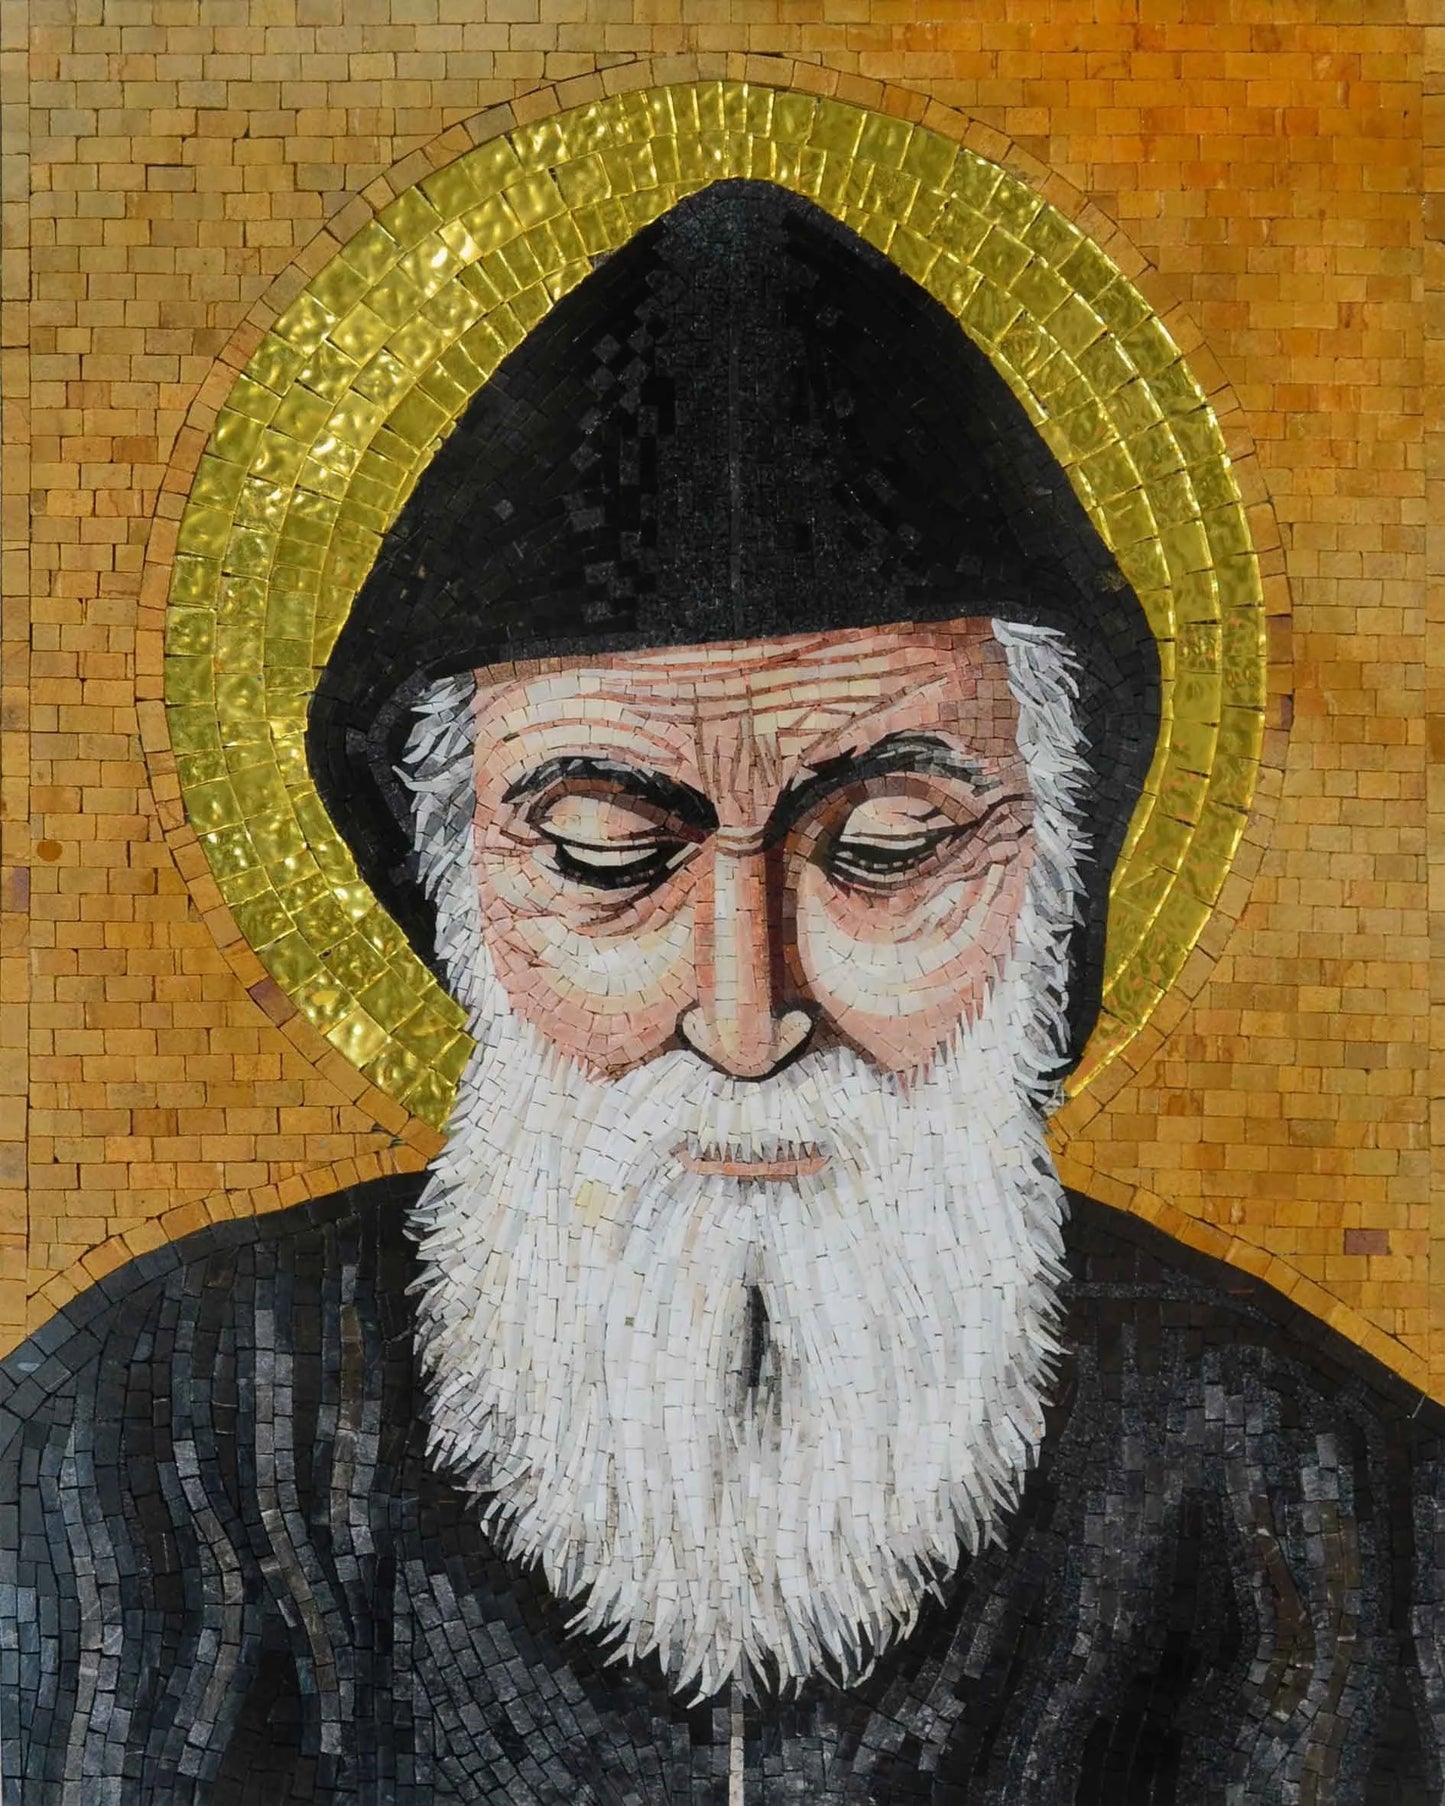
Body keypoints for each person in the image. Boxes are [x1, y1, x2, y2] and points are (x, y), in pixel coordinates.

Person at [2, 182, 1441, 1806]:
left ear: (1056, 874)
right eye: (609, 856)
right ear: (452, 887)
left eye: (887, 847)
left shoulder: (1333, 1496)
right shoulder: (144, 1444)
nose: (747, 1018)